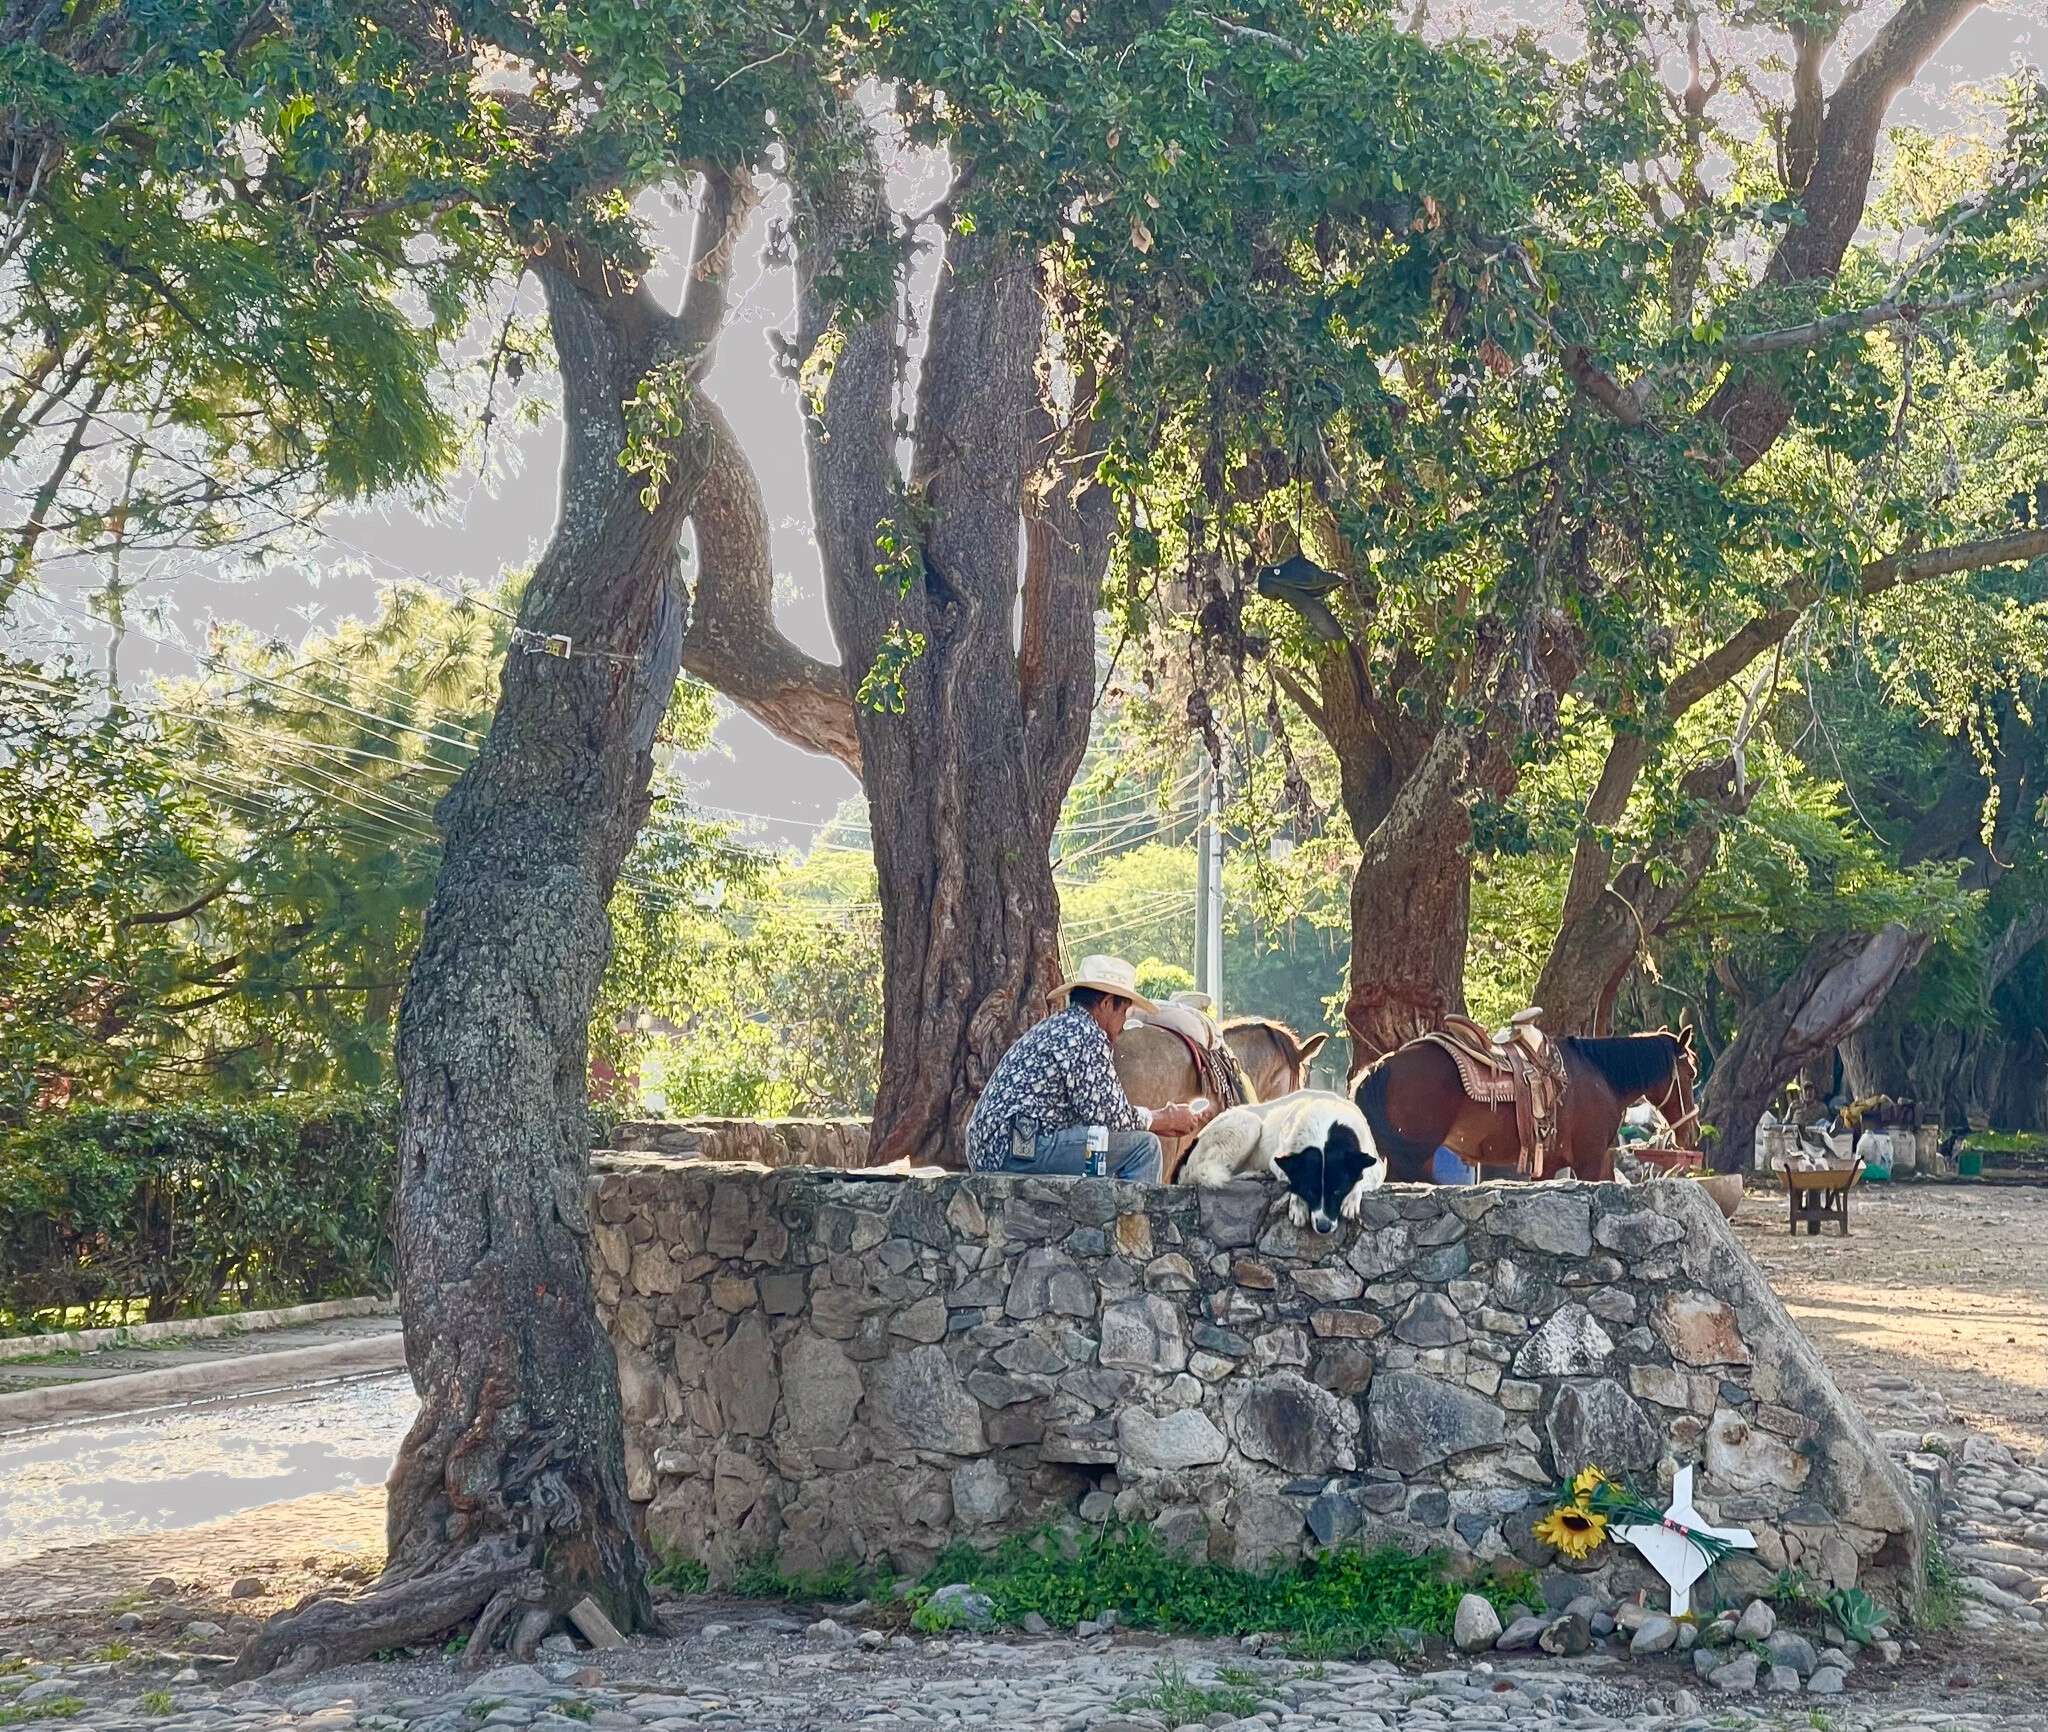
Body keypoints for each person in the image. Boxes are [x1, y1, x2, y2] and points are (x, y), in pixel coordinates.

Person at [965, 955, 1214, 1180]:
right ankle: (1132, 1226)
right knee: (1143, 1147)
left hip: (998, 1146)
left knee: (1099, 1144)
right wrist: (1163, 1118)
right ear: (1106, 1004)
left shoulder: (1061, 1026)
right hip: (1020, 1149)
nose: (1124, 1022)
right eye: (1124, 1011)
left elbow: (1097, 1115)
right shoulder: (1086, 1034)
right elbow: (1110, 1117)